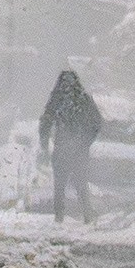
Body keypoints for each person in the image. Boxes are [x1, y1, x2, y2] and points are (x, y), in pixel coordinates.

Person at [38, 69, 103, 225]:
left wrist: (45, 145)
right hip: (77, 149)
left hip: (63, 147)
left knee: (60, 184)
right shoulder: (84, 99)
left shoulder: (57, 99)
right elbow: (96, 122)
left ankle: (60, 216)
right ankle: (86, 214)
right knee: (80, 182)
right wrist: (86, 141)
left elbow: (45, 123)